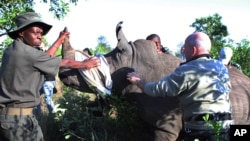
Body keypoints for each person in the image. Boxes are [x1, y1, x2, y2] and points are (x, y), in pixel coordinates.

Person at [0, 12, 100, 141]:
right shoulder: (27, 52)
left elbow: (44, 58)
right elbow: (65, 62)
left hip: (17, 118)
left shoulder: (13, 49)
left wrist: (59, 40)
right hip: (17, 122)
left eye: (41, 33)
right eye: (35, 32)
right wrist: (85, 64)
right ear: (22, 32)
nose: (39, 36)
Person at [127, 32, 233, 141]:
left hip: (200, 130)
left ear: (194, 50)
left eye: (185, 48)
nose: (183, 51)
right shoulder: (221, 68)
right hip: (226, 127)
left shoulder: (186, 70)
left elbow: (157, 89)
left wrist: (138, 81)